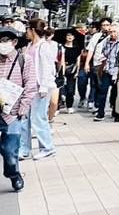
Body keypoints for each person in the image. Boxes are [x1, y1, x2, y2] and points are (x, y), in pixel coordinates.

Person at [20, 17, 58, 160]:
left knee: (38, 118)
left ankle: (48, 147)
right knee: (24, 118)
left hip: (40, 87)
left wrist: (44, 87)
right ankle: (24, 148)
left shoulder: (43, 46)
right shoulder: (30, 46)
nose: (26, 33)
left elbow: (48, 68)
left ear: (33, 30)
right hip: (28, 87)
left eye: (28, 30)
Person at [0, 26, 29, 190]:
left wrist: (23, 108)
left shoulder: (24, 60)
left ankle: (13, 174)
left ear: (14, 42)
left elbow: (30, 86)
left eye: (5, 40)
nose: (2, 44)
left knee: (10, 151)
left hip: (13, 113)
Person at [59, 29, 83, 110]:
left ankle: (69, 106)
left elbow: (78, 61)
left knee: (70, 90)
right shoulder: (61, 47)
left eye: (71, 35)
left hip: (72, 70)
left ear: (74, 37)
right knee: (60, 88)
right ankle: (59, 105)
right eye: (68, 35)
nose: (70, 37)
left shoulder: (77, 48)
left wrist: (77, 71)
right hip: (62, 69)